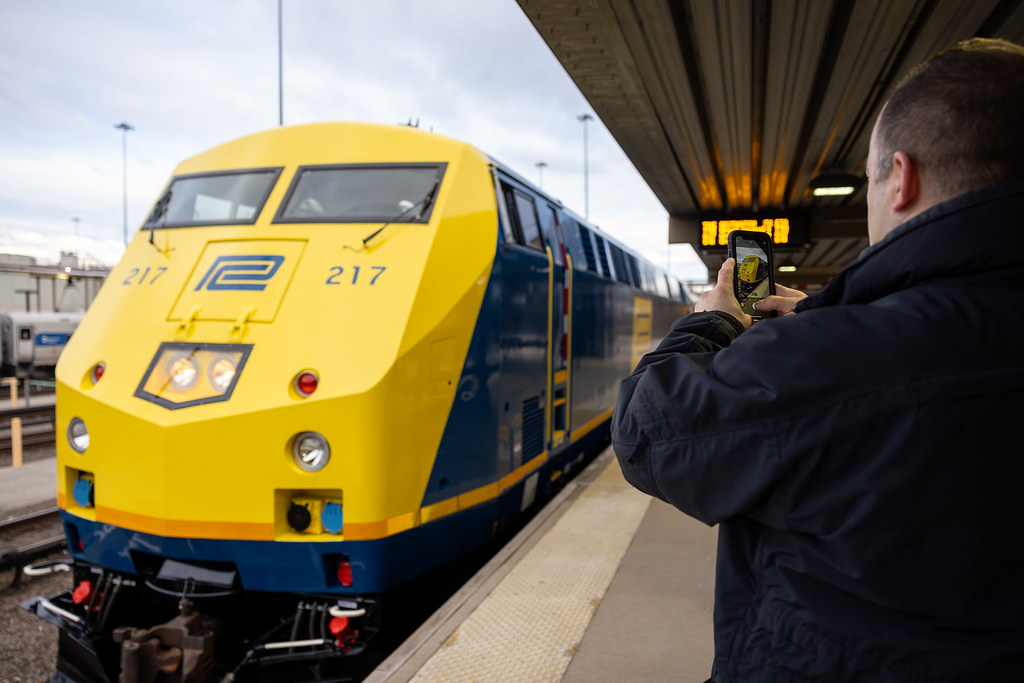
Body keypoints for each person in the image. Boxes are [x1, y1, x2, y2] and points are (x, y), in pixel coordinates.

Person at [612, 37, 1024, 682]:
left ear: (902, 177)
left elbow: (651, 433)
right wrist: (825, 316)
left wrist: (713, 320)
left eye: (870, 179)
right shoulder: (847, 346)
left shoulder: (833, 359)